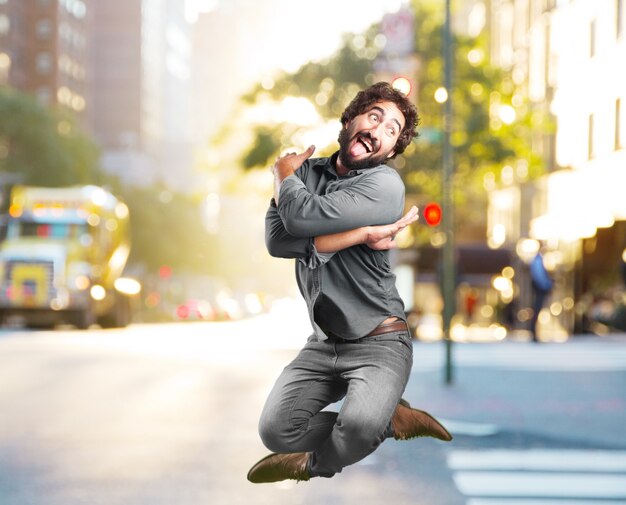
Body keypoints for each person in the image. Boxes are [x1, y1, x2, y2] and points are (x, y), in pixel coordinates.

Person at [247, 82, 452, 484]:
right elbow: (276, 240)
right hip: (324, 343)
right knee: (275, 430)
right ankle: (387, 414)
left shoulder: (384, 186)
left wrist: (283, 174)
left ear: (390, 151)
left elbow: (299, 220)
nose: (378, 130)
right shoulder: (306, 173)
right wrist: (357, 235)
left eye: (391, 131)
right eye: (374, 116)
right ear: (350, 120)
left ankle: (328, 455)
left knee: (358, 426)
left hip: (380, 340)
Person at [529, 249, 553, 342]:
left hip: (540, 288)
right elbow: (538, 276)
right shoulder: (538, 260)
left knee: (537, 310)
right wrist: (547, 285)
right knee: (537, 310)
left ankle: (534, 332)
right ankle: (533, 332)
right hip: (540, 289)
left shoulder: (538, 260)